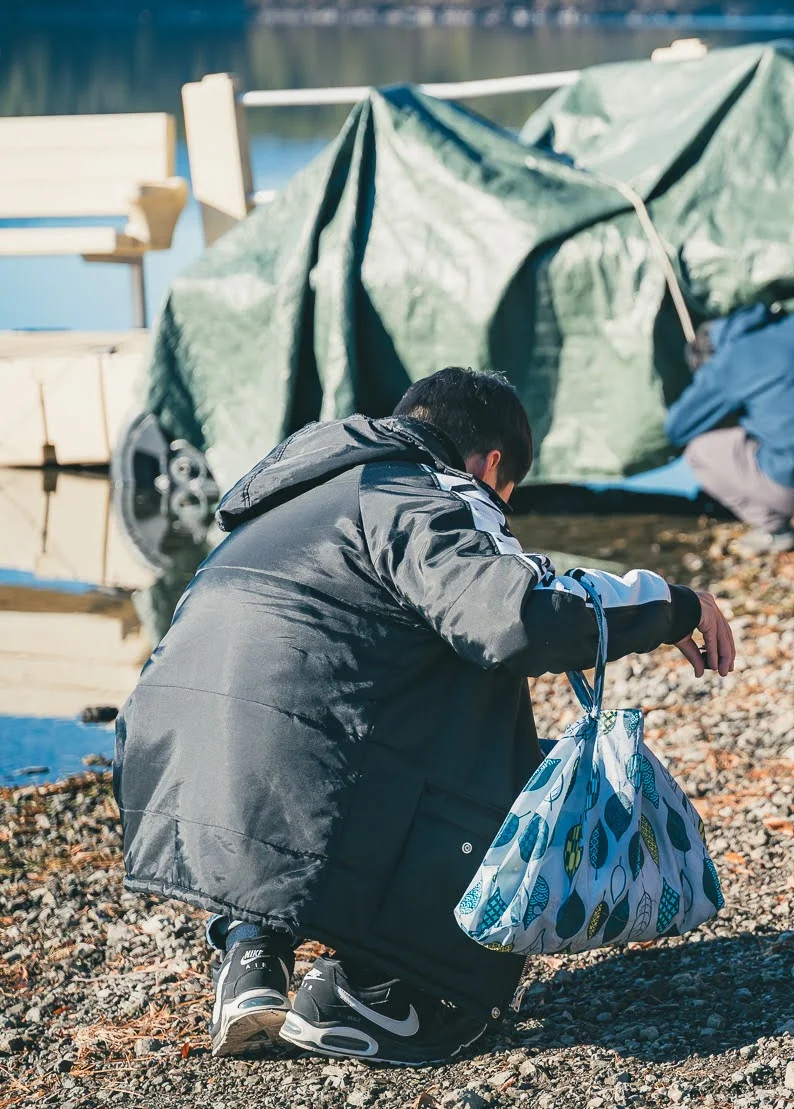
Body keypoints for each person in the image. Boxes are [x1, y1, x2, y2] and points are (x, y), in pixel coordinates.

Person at [117, 369, 736, 1066]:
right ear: (491, 465)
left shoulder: (293, 492)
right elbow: (516, 616)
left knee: (336, 680)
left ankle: (253, 951)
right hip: (292, 762)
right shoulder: (425, 488)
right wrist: (672, 606)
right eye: (506, 497)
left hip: (165, 764)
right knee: (478, 691)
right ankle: (385, 991)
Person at [665, 303, 794, 554]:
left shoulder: (728, 360)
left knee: (698, 452)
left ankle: (776, 530)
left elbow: (676, 428)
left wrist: (720, 400)